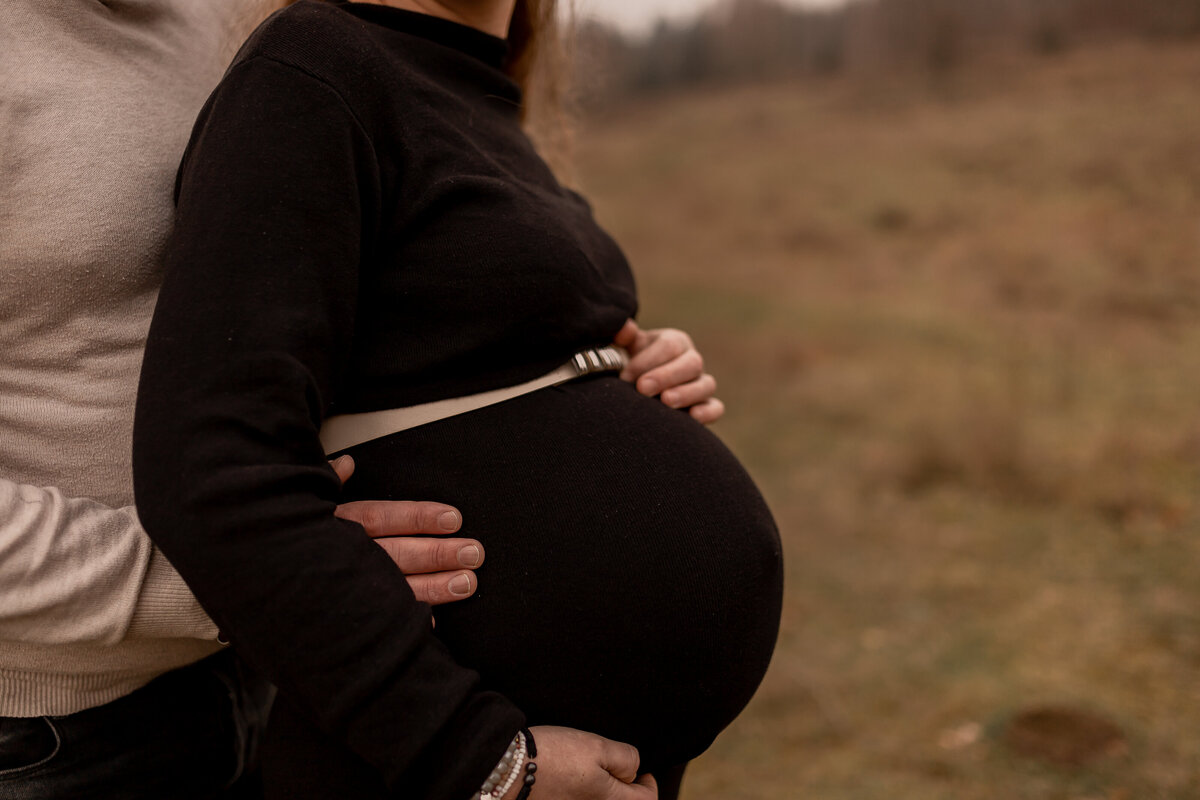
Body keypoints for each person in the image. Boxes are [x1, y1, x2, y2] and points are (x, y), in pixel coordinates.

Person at [0, 1, 723, 797]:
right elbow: (219, 458)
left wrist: (599, 362)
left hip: (276, 670)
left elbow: (355, 276)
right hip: (60, 739)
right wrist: (252, 578)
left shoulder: (223, 24)